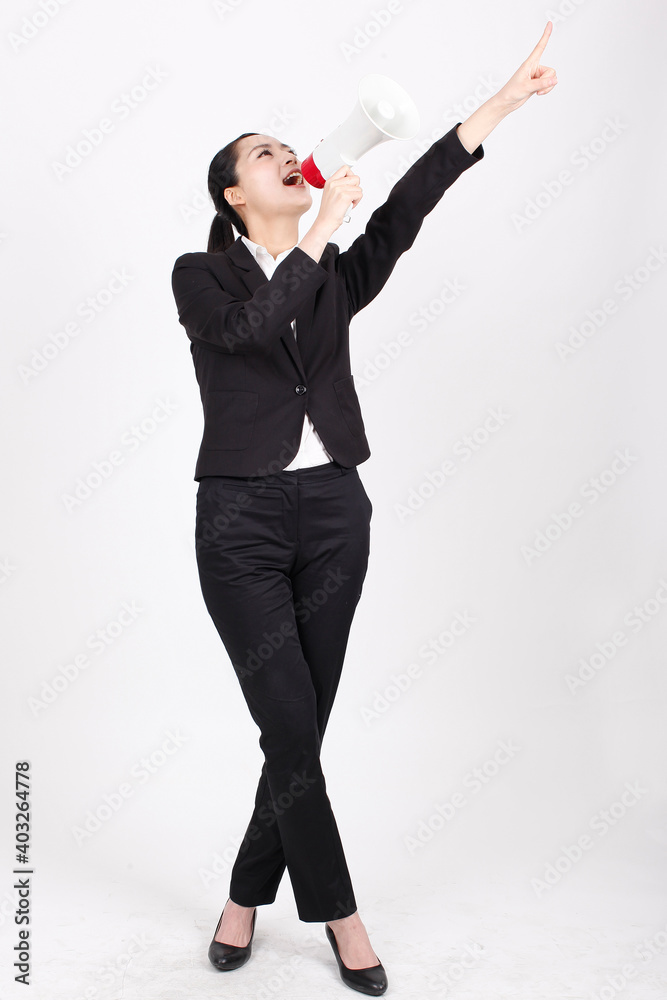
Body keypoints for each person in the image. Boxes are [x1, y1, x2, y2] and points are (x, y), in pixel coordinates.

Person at [170, 22, 557, 996]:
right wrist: (317, 232)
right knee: (290, 721)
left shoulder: (336, 276)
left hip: (337, 513)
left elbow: (411, 207)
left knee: (296, 727)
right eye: (261, 153)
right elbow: (251, 336)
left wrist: (498, 106)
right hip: (239, 526)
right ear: (233, 194)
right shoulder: (201, 274)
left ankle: (243, 895)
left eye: (281, 146)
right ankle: (341, 911)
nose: (282, 155)